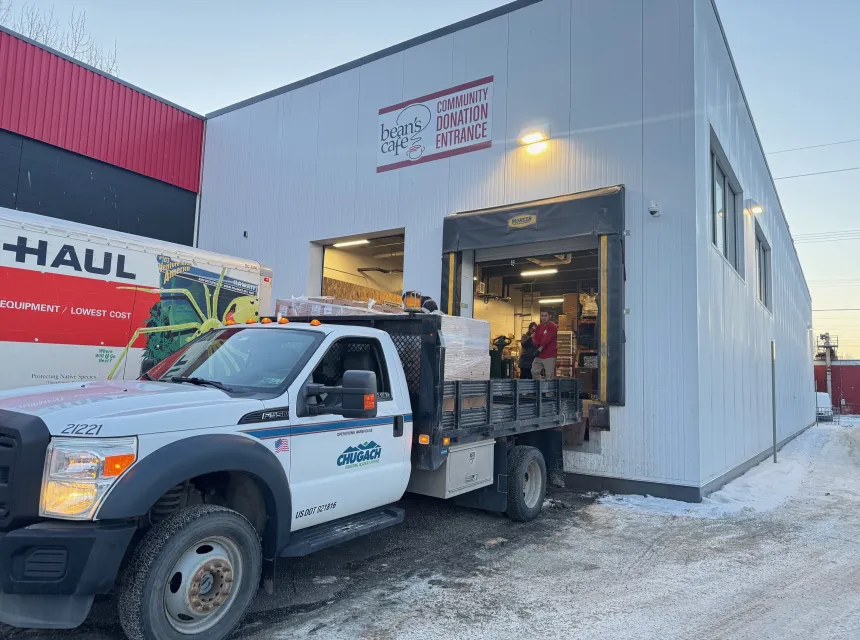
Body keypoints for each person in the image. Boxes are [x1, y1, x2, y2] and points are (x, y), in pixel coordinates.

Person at [532, 310, 558, 380]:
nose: (543, 318)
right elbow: (535, 337)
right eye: (542, 316)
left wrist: (539, 349)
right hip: (539, 356)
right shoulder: (539, 326)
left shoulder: (553, 326)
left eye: (545, 316)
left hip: (550, 355)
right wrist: (535, 345)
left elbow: (547, 339)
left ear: (550, 316)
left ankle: (548, 390)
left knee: (549, 375)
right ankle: (542, 386)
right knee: (534, 371)